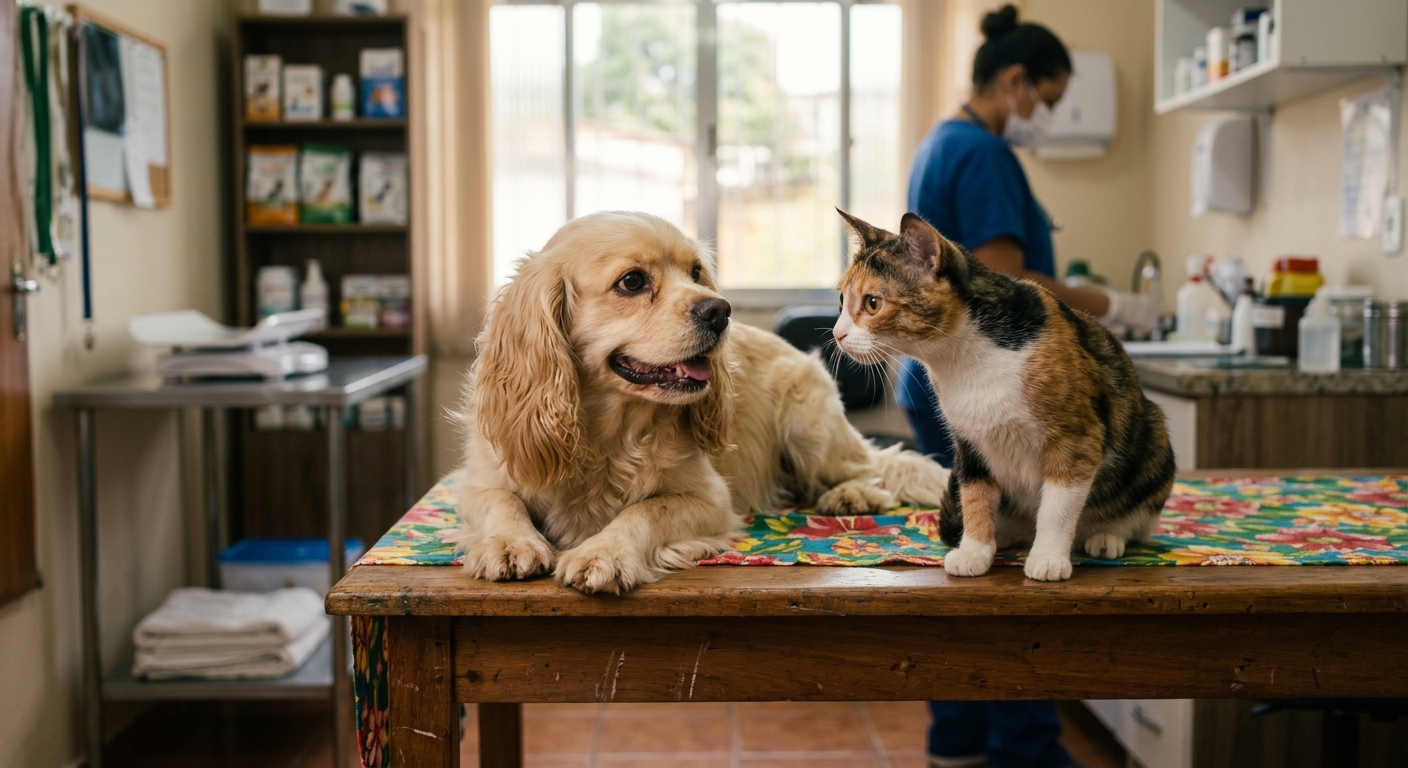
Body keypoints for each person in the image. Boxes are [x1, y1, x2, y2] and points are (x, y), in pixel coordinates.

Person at [899, 6, 1155, 768]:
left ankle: (960, 741)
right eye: (1045, 99)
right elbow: (1011, 279)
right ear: (1015, 83)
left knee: (973, 560)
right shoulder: (982, 154)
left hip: (948, 382)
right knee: (1014, 576)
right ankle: (1026, 748)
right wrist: (1116, 305)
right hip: (991, 386)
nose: (1041, 117)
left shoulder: (939, 141)